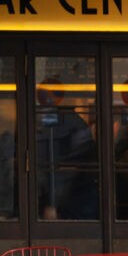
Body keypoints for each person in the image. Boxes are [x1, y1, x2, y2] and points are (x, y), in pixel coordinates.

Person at [35, 77, 98, 220]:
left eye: (45, 94)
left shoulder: (69, 123)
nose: (42, 98)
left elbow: (68, 168)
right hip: (66, 197)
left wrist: (53, 203)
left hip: (74, 199)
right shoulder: (66, 121)